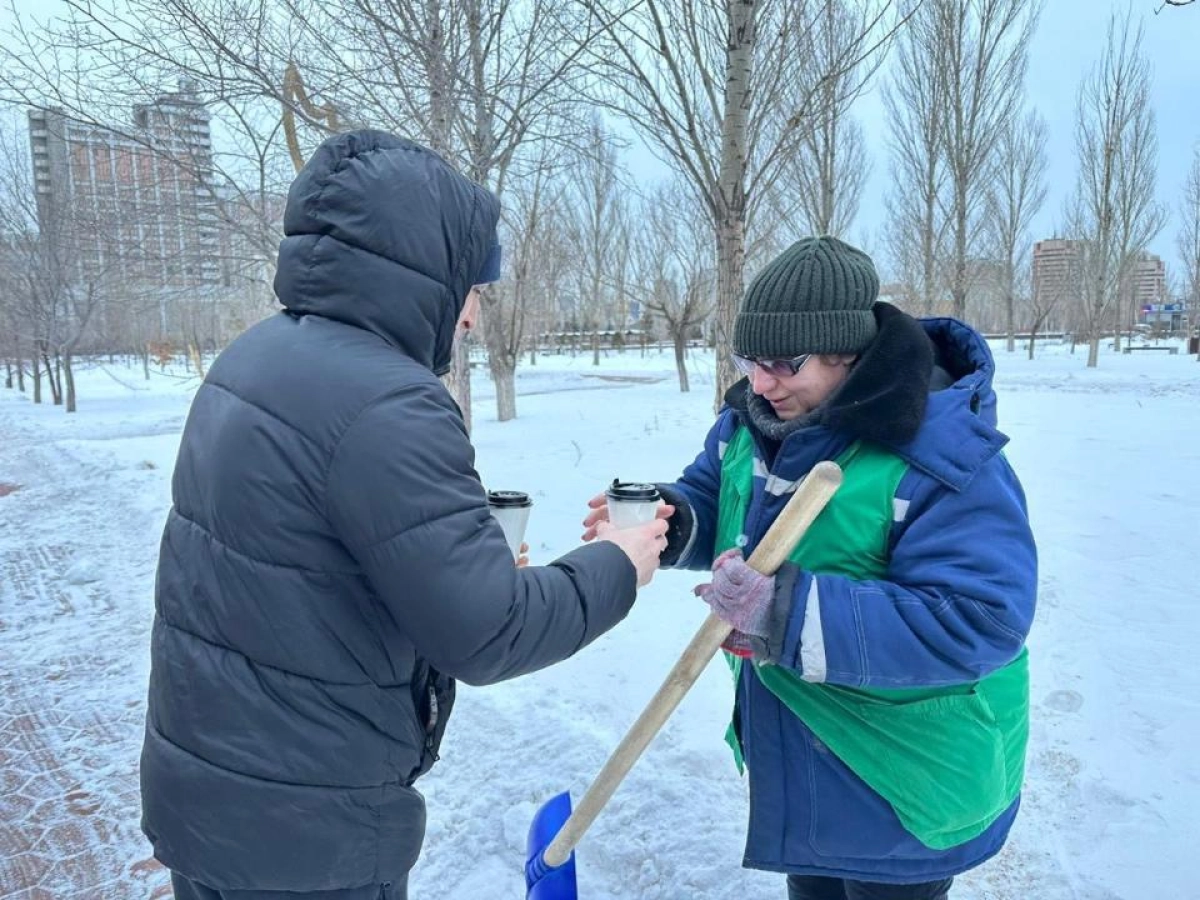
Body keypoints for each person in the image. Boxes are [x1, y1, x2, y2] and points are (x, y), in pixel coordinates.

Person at [140, 130, 670, 900]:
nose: (475, 319)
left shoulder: (250, 359)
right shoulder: (390, 401)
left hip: (213, 800)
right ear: (428, 273)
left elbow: (295, 570)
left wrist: (448, 565)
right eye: (476, 289)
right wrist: (619, 564)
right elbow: (488, 634)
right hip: (309, 834)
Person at [583, 236, 1036, 900]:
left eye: (782, 364)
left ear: (845, 355)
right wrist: (671, 520)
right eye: (749, 360)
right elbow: (719, 497)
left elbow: (980, 619)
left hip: (902, 774)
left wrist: (783, 613)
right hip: (802, 752)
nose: (759, 382)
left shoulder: (944, 457)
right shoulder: (752, 424)